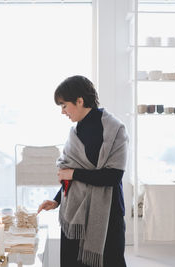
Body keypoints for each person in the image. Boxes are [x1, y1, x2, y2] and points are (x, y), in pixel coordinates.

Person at [38, 75, 129, 267]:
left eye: (64, 105)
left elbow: (114, 176)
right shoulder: (76, 132)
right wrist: (56, 200)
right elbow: (70, 176)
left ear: (80, 101)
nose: (62, 112)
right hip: (74, 216)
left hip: (108, 214)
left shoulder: (115, 129)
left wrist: (74, 174)